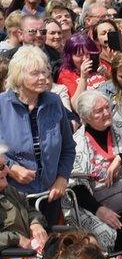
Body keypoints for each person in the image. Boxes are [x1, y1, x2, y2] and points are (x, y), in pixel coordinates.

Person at [69, 90, 122, 259]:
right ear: (86, 117)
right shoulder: (77, 143)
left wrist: (120, 158)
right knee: (108, 231)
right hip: (93, 206)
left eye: (107, 107)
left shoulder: (119, 126)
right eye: (99, 111)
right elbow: (76, 187)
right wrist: (100, 210)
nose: (107, 113)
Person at [0, 46, 74, 226]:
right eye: (35, 73)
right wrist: (11, 168)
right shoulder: (2, 104)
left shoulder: (54, 102)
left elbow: (68, 148)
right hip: (12, 197)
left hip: (50, 195)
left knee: (49, 248)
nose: (43, 78)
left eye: (45, 72)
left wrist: (62, 178)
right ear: (19, 75)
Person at [0, 143, 49, 256]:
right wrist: (15, 238)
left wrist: (35, 223)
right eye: (1, 167)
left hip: (31, 255)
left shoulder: (9, 189)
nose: (7, 171)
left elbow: (30, 210)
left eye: (5, 165)